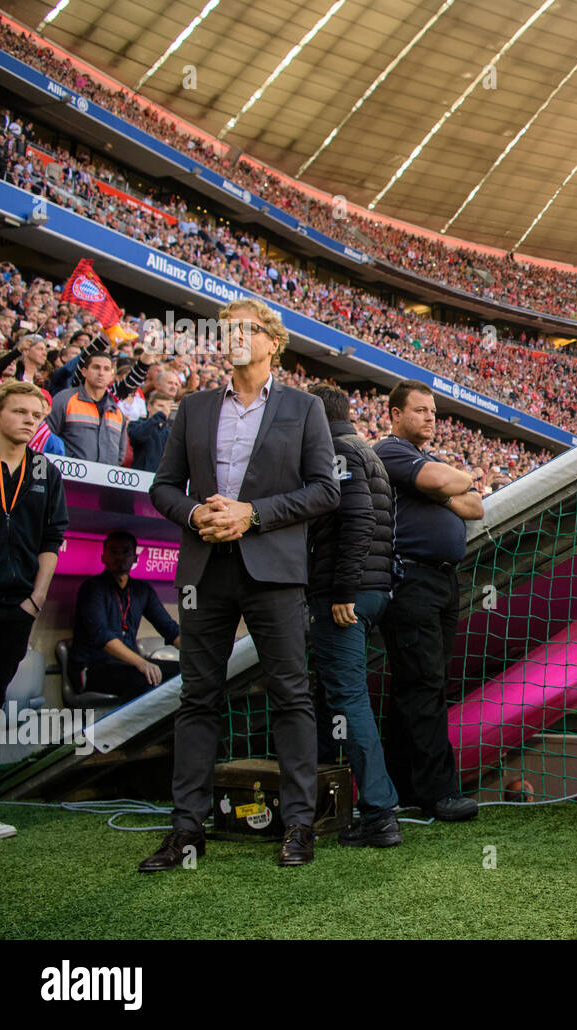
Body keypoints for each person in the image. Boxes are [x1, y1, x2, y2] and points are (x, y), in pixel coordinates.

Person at [142, 299, 338, 871]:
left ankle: (299, 825)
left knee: (291, 694)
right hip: (205, 568)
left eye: (245, 330)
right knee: (197, 697)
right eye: (225, 331)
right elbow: (163, 487)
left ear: (273, 342)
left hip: (272, 569)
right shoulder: (196, 407)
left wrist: (253, 514)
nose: (233, 338)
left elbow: (325, 491)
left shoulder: (304, 409)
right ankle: (186, 829)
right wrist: (192, 515)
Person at [374, 380, 482, 822]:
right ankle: (439, 793)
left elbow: (475, 506)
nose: (430, 418)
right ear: (395, 414)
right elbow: (453, 482)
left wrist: (446, 488)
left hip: (440, 580)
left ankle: (404, 786)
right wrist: (449, 485)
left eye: (433, 412)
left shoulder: (425, 459)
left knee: (420, 685)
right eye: (420, 411)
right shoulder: (389, 450)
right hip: (410, 578)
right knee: (423, 685)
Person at [306, 384, 401, 849]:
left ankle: (380, 814)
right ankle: (325, 798)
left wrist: (343, 588)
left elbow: (359, 520)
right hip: (373, 589)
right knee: (332, 693)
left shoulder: (338, 452)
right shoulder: (366, 452)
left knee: (348, 696)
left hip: (347, 594)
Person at [0, 380, 67, 842]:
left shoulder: (45, 471)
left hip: (15, 608)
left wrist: (36, 598)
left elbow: (52, 539)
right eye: (18, 411)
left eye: (35, 415)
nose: (27, 420)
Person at [70, 530, 180, 701]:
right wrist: (141, 662)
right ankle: (129, 727)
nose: (119, 557)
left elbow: (169, 629)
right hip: (93, 668)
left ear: (135, 558)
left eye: (126, 552)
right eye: (113, 552)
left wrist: (197, 656)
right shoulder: (92, 588)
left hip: (126, 666)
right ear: (103, 557)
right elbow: (102, 636)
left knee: (184, 673)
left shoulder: (142, 590)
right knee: (145, 680)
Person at [46, 351, 128, 464]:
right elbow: (46, 438)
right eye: (96, 367)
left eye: (106, 369)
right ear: (84, 372)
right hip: (67, 477)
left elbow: (120, 454)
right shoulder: (64, 400)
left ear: (112, 376)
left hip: (104, 480)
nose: (101, 373)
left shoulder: (117, 412)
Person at [128, 391, 173, 472]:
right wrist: (156, 419)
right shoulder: (136, 424)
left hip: (160, 480)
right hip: (140, 477)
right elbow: (138, 437)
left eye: (167, 407)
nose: (164, 410)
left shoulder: (171, 433)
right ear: (149, 407)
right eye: (160, 406)